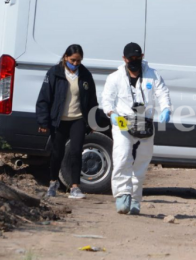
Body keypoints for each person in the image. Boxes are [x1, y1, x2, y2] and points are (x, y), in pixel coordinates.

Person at [101, 42, 172, 214]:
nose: (134, 61)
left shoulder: (153, 75)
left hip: (144, 121)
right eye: (130, 58)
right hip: (123, 121)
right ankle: (122, 194)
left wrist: (166, 109)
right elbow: (106, 99)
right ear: (124, 59)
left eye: (137, 57)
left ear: (142, 56)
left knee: (142, 160)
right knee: (122, 155)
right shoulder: (114, 77)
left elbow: (163, 93)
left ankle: (135, 198)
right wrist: (111, 113)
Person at [36, 44, 99, 199]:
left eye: (78, 61)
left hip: (77, 119)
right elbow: (44, 98)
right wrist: (43, 122)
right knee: (57, 153)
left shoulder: (85, 75)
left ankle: (75, 187)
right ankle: (53, 182)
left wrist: (92, 122)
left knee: (76, 152)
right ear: (65, 57)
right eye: (73, 60)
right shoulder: (54, 73)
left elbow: (92, 100)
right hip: (59, 121)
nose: (75, 63)